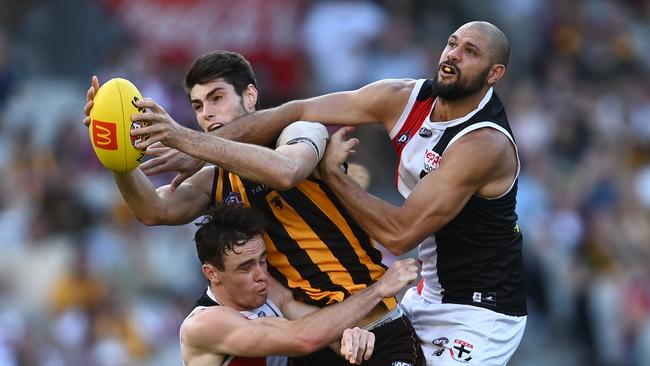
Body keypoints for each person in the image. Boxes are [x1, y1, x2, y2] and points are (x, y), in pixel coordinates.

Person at [135, 21, 526, 365]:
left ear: (495, 73)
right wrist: (181, 148)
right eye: (452, 43)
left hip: (479, 307)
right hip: (419, 296)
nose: (453, 55)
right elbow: (297, 108)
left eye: (470, 52)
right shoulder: (401, 97)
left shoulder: (483, 145)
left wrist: (332, 174)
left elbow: (400, 234)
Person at [83, 51, 424, 366]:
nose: (206, 113)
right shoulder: (213, 178)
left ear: (250, 96)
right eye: (198, 106)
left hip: (375, 324)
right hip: (307, 336)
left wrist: (186, 140)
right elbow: (154, 210)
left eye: (216, 98)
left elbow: (286, 171)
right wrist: (117, 157)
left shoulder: (299, 131)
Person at [181, 205, 419, 366]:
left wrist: (349, 338)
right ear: (212, 273)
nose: (261, 274)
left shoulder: (267, 288)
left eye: (262, 260)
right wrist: (378, 289)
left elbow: (313, 322)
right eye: (245, 267)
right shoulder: (204, 324)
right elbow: (303, 338)